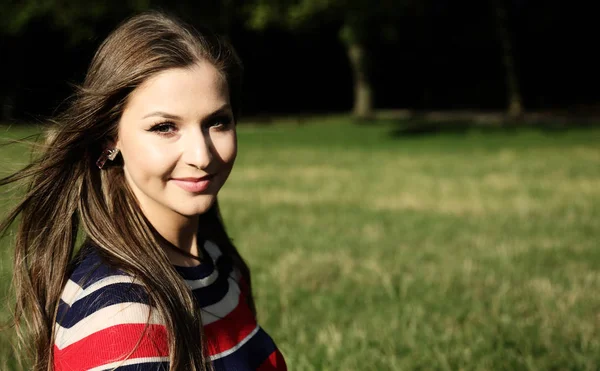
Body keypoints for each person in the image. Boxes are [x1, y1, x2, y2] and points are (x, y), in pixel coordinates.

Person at [0, 10, 287, 371]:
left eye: (218, 122)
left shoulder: (218, 262)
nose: (201, 156)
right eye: (165, 127)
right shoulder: (119, 314)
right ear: (110, 138)